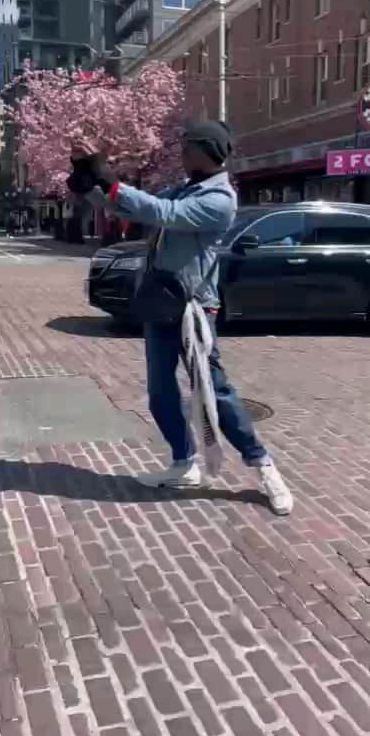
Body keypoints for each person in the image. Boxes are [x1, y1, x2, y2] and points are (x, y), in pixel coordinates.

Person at [67, 121, 293, 516]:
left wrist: (111, 180)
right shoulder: (184, 186)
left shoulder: (220, 198)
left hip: (194, 310)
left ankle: (263, 465)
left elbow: (165, 212)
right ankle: (183, 462)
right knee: (160, 392)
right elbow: (136, 210)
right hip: (161, 305)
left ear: (209, 151)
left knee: (214, 394)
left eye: (188, 148)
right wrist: (92, 185)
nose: (182, 154)